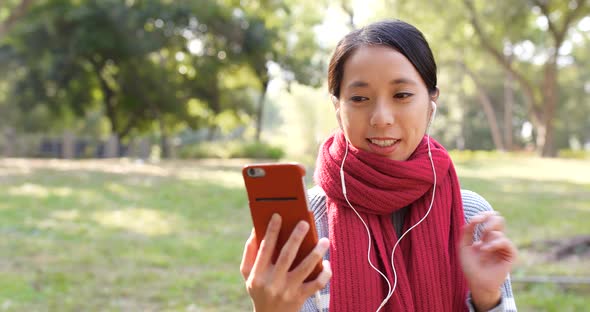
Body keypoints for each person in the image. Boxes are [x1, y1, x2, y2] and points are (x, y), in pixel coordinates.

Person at [240, 19, 518, 312]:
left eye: (402, 95)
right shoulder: (308, 222)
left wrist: (488, 298)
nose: (381, 118)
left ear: (431, 101)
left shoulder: (470, 216)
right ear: (338, 107)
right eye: (359, 98)